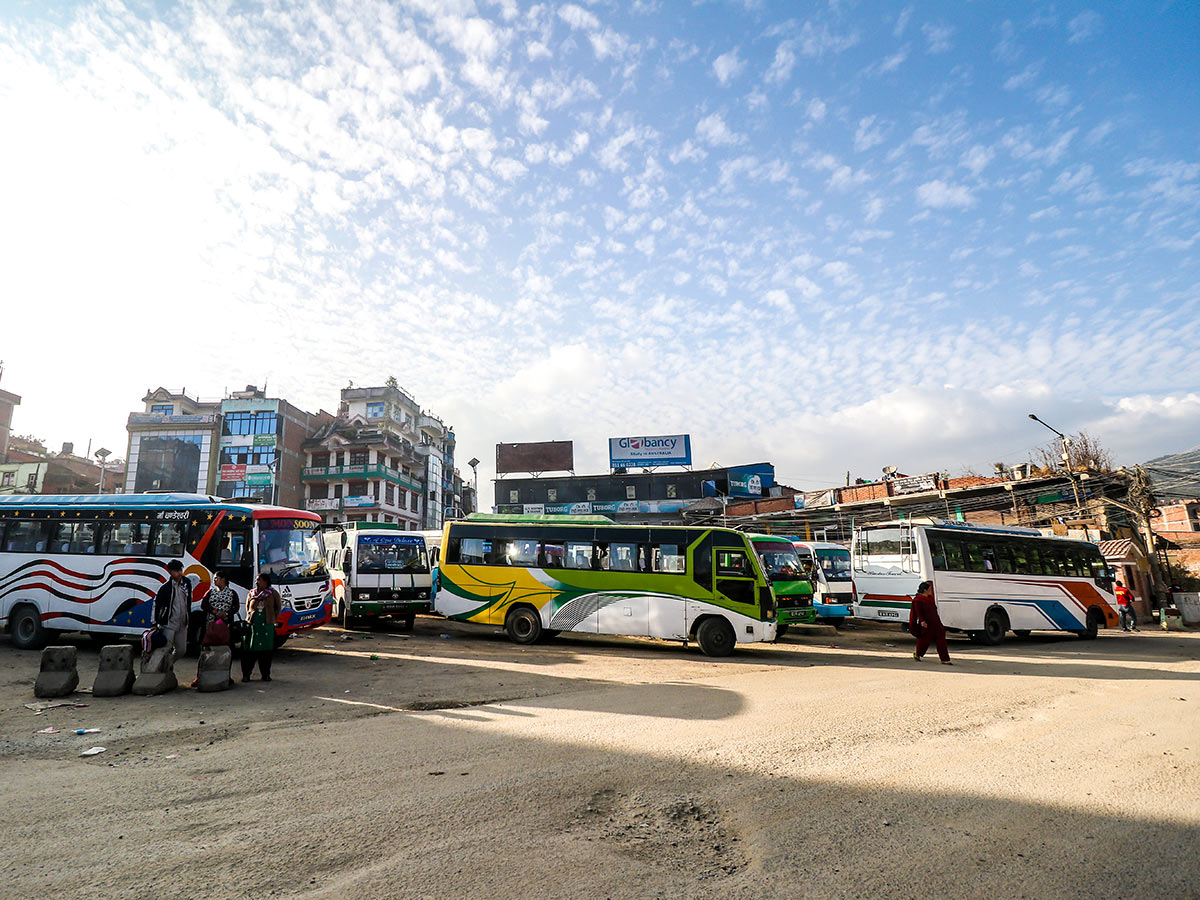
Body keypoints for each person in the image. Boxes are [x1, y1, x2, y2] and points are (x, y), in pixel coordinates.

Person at [242, 573, 281, 682]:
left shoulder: (273, 594)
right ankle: (246, 675)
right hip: (253, 626)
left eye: (259, 580)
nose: (257, 582)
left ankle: (265, 674)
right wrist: (250, 617)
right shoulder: (252, 594)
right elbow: (247, 607)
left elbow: (278, 607)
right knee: (250, 652)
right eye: (257, 580)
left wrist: (272, 619)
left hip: (266, 627)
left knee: (266, 653)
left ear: (266, 582)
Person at [152, 560, 192, 658]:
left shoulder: (186, 583)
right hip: (169, 623)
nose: (179, 573)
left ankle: (169, 664)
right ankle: (164, 669)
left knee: (182, 650)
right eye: (176, 571)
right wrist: (154, 622)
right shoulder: (165, 588)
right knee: (165, 648)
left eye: (180, 570)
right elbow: (156, 604)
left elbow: (189, 600)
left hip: (183, 623)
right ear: (170, 572)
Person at [909, 580, 951, 665]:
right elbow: (918, 612)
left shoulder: (929, 600)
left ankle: (944, 659)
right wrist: (922, 621)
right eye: (930, 589)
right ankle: (918, 654)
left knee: (941, 639)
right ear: (925, 590)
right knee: (924, 640)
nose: (931, 591)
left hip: (936, 622)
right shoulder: (918, 600)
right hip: (926, 624)